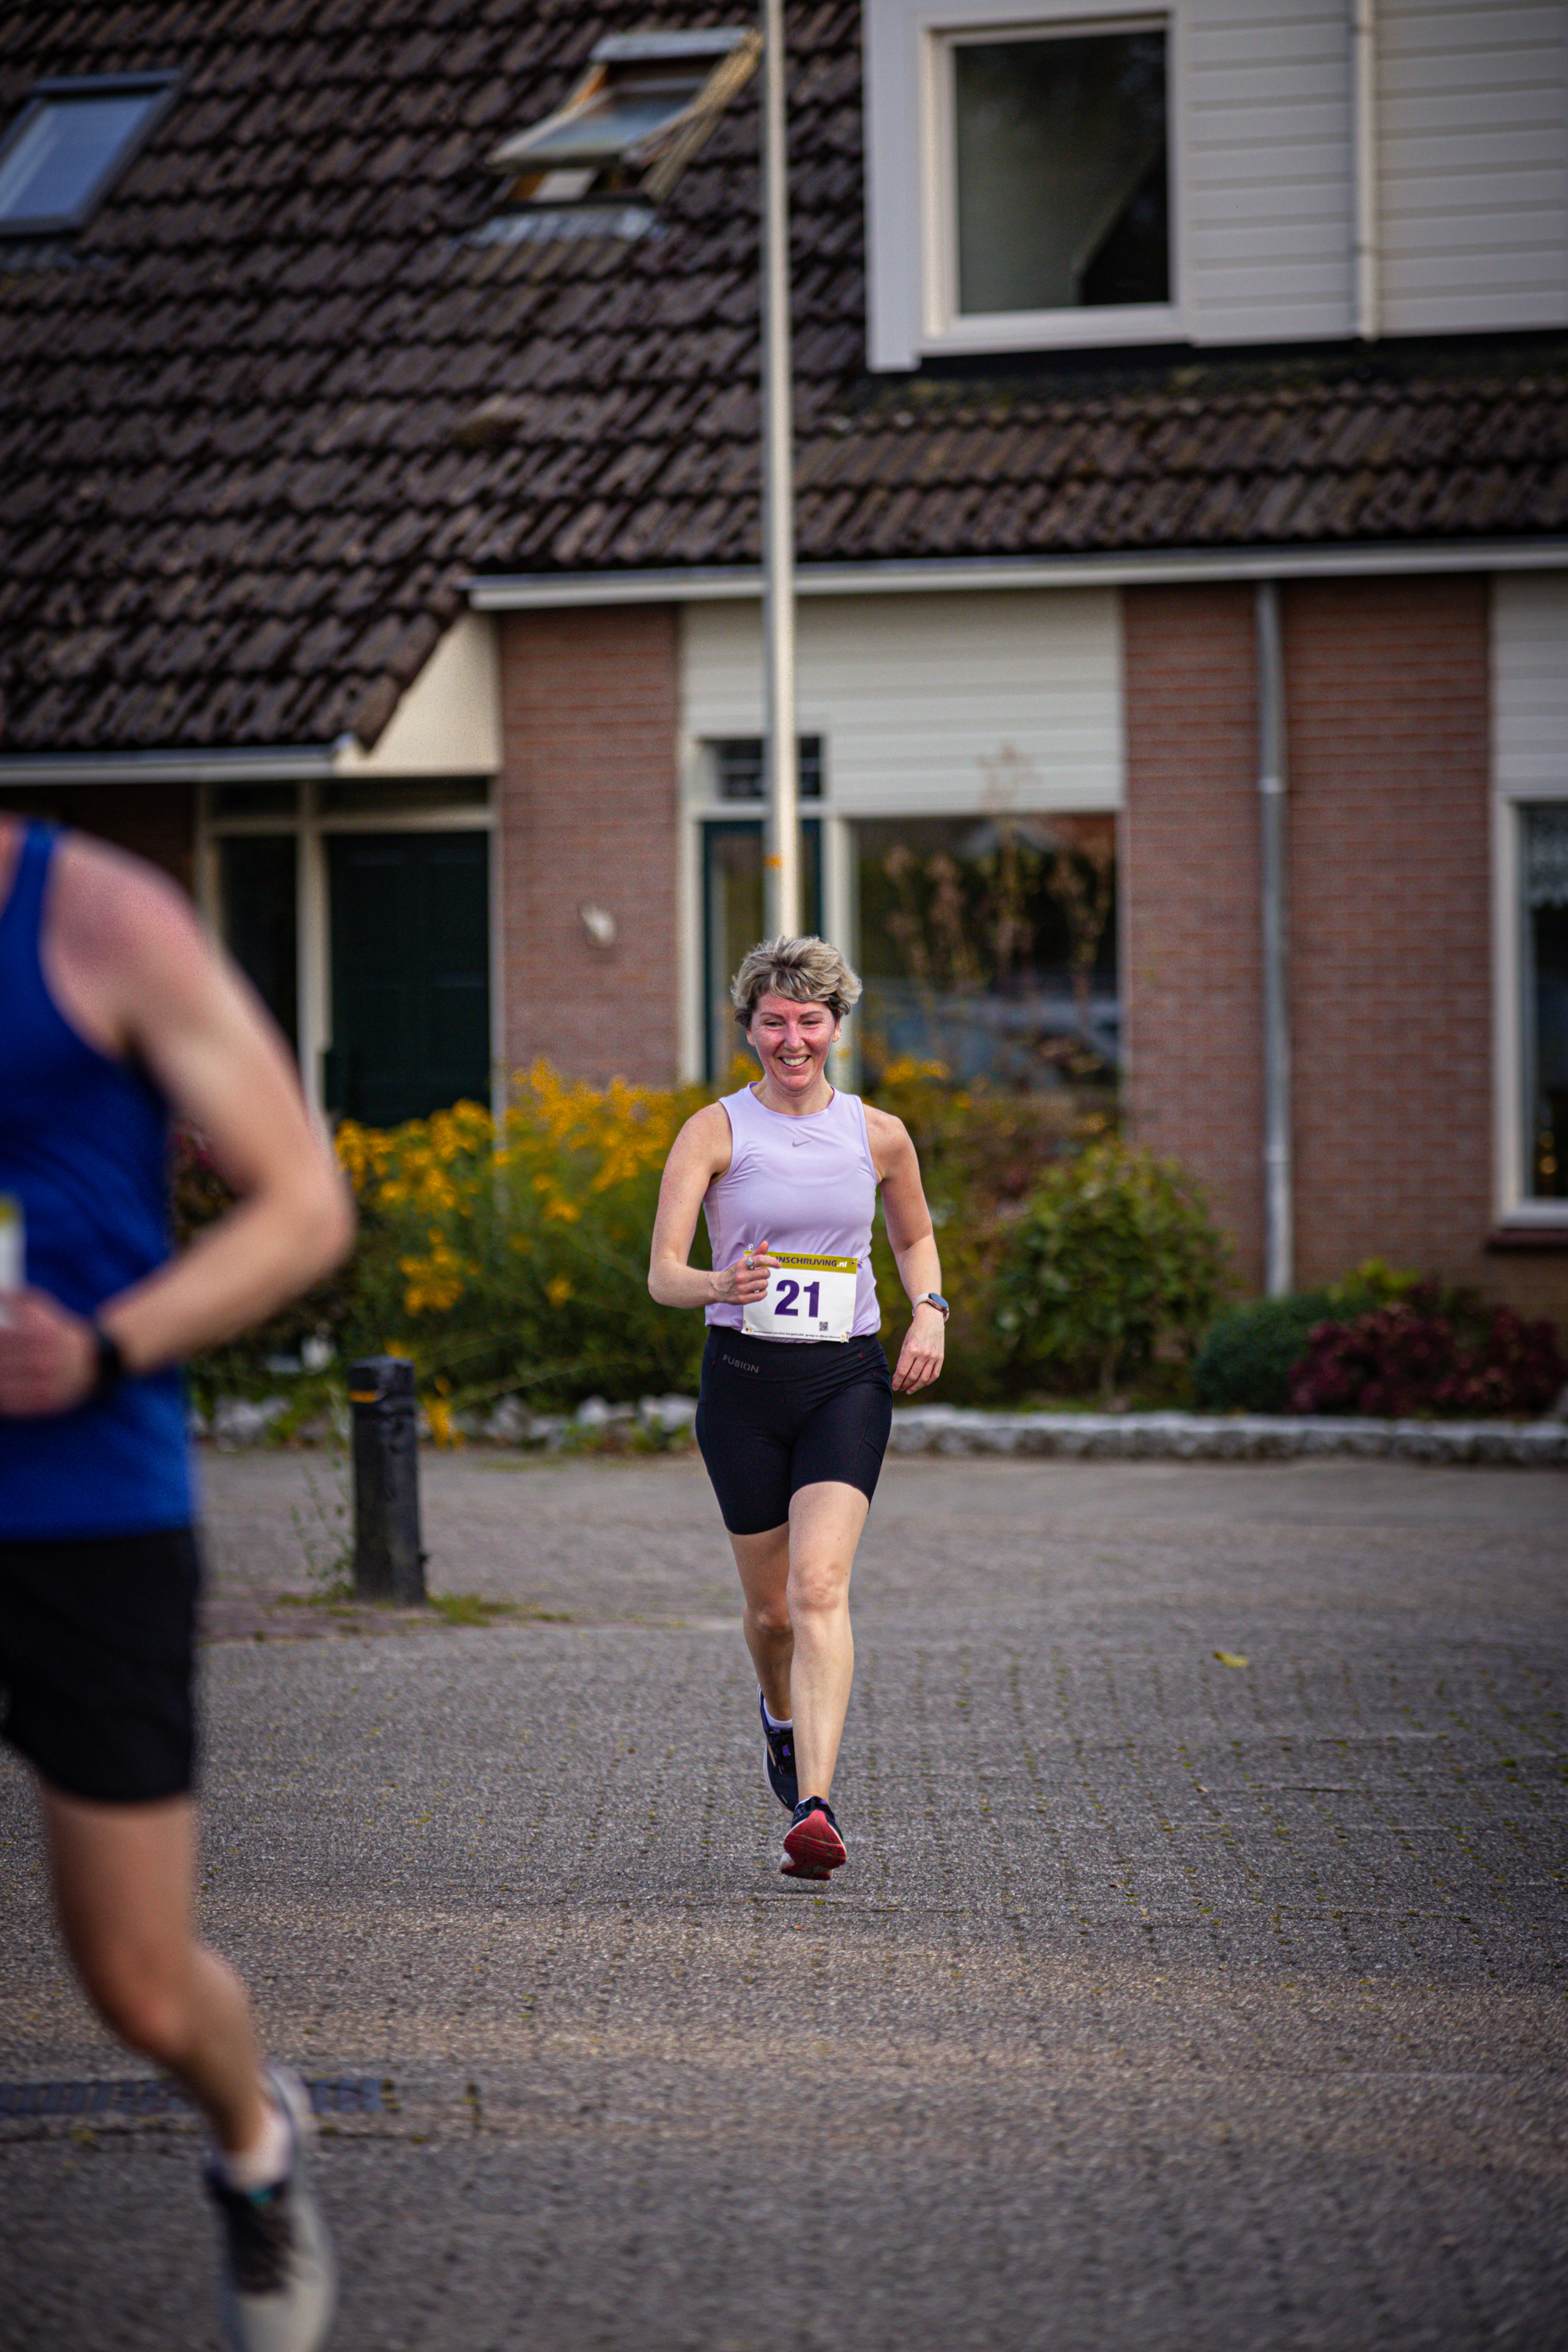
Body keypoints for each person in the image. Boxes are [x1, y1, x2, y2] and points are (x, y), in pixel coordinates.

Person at [0, 815, 355, 2351]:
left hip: (86, 1509)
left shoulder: (95, 918)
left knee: (138, 1987)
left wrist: (107, 1344)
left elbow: (302, 1205)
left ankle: (255, 2147)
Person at [649, 935, 946, 1879]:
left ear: (835, 1028)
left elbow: (915, 1236)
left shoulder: (877, 1133)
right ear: (747, 1030)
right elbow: (661, 1275)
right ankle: (776, 1716)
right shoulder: (713, 1131)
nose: (791, 1039)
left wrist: (928, 1310)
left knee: (821, 1589)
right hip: (740, 1384)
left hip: (843, 1382)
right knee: (771, 1614)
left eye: (808, 1021)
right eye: (772, 1022)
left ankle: (813, 1808)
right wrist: (718, 1281)